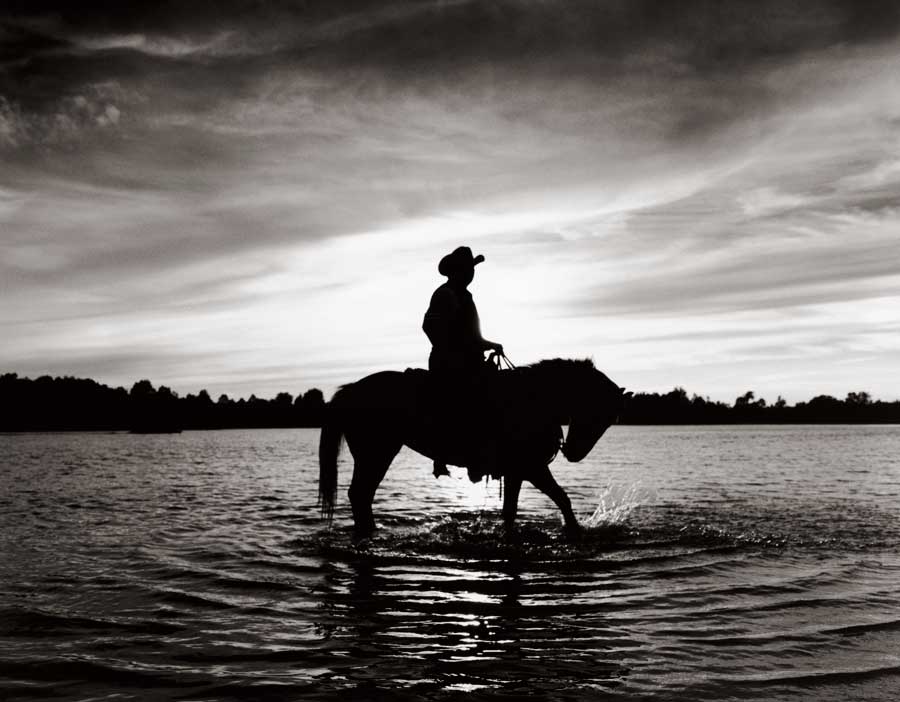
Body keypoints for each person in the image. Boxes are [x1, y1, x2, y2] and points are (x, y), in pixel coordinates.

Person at [422, 246, 503, 480]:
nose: (471, 274)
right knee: (472, 399)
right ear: (457, 271)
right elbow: (431, 326)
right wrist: (457, 348)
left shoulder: (465, 296)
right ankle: (468, 458)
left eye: (472, 270)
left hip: (469, 361)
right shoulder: (445, 294)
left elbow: (473, 336)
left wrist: (487, 344)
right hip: (449, 363)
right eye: (467, 269)